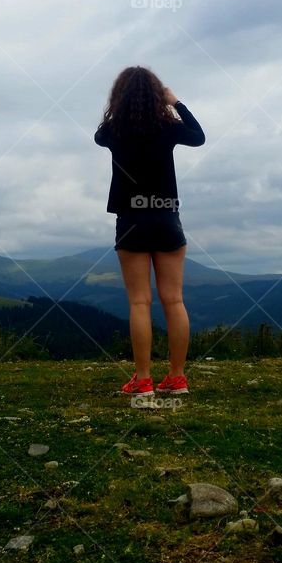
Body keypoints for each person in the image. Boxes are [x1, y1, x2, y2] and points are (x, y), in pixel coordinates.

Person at [95, 66, 205, 395]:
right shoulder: (168, 127)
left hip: (131, 221)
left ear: (120, 96)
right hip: (166, 217)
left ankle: (143, 380)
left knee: (140, 303)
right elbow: (198, 136)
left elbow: (99, 135)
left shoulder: (115, 131)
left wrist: (119, 106)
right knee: (174, 300)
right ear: (159, 95)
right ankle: (177, 377)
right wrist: (175, 102)